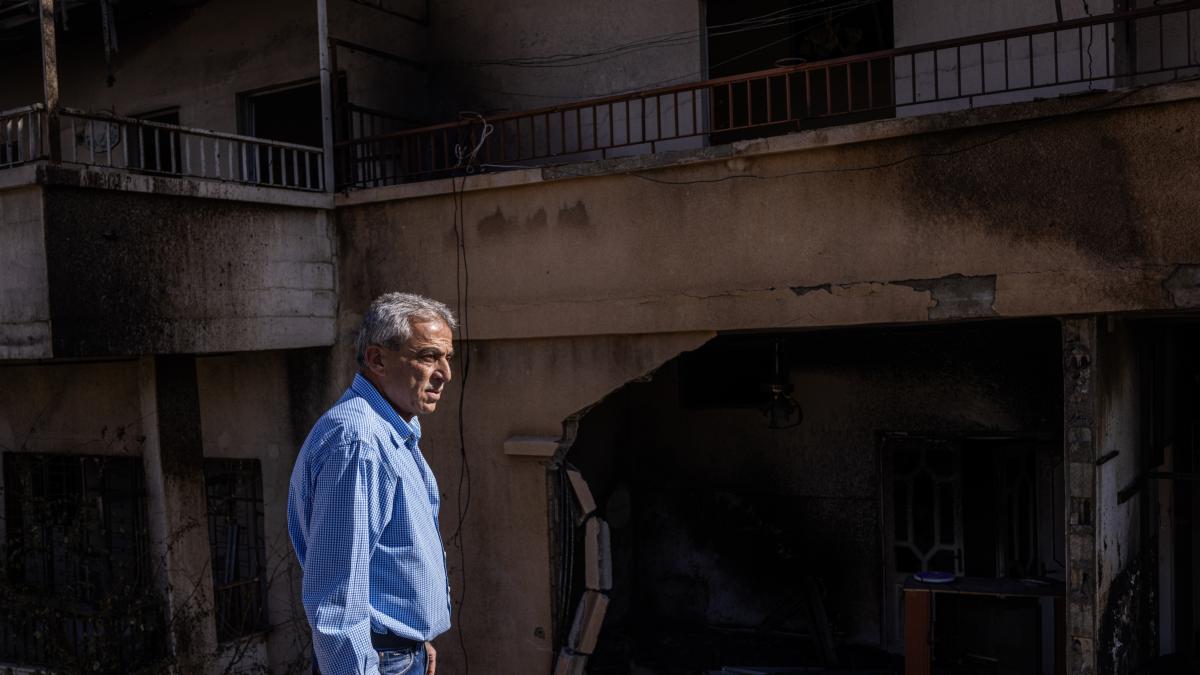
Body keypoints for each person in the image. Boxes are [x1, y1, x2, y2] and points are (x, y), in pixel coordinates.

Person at [288, 292, 456, 675]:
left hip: (398, 652)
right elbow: (337, 599)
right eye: (429, 356)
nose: (445, 373)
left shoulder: (393, 430)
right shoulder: (358, 441)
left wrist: (415, 636)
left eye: (447, 358)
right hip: (376, 661)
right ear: (377, 359)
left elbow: (389, 558)